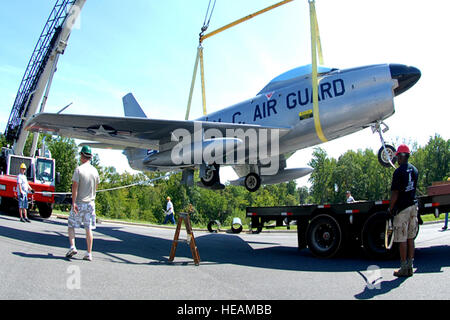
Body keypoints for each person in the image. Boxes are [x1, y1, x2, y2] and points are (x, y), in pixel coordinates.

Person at [388, 144, 418, 277]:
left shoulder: (398, 172)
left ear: (401, 156)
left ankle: (403, 267)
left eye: (397, 157)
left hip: (403, 209)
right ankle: (410, 266)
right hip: (413, 206)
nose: (397, 160)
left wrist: (390, 208)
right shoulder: (415, 170)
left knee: (402, 239)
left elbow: (395, 193)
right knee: (411, 238)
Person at [65, 145, 99, 261]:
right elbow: (96, 186)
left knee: (71, 225)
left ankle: (73, 246)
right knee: (88, 228)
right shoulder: (95, 171)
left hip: (79, 202)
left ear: (82, 156)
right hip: (91, 203)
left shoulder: (79, 169)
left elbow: (75, 187)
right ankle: (89, 253)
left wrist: (73, 202)